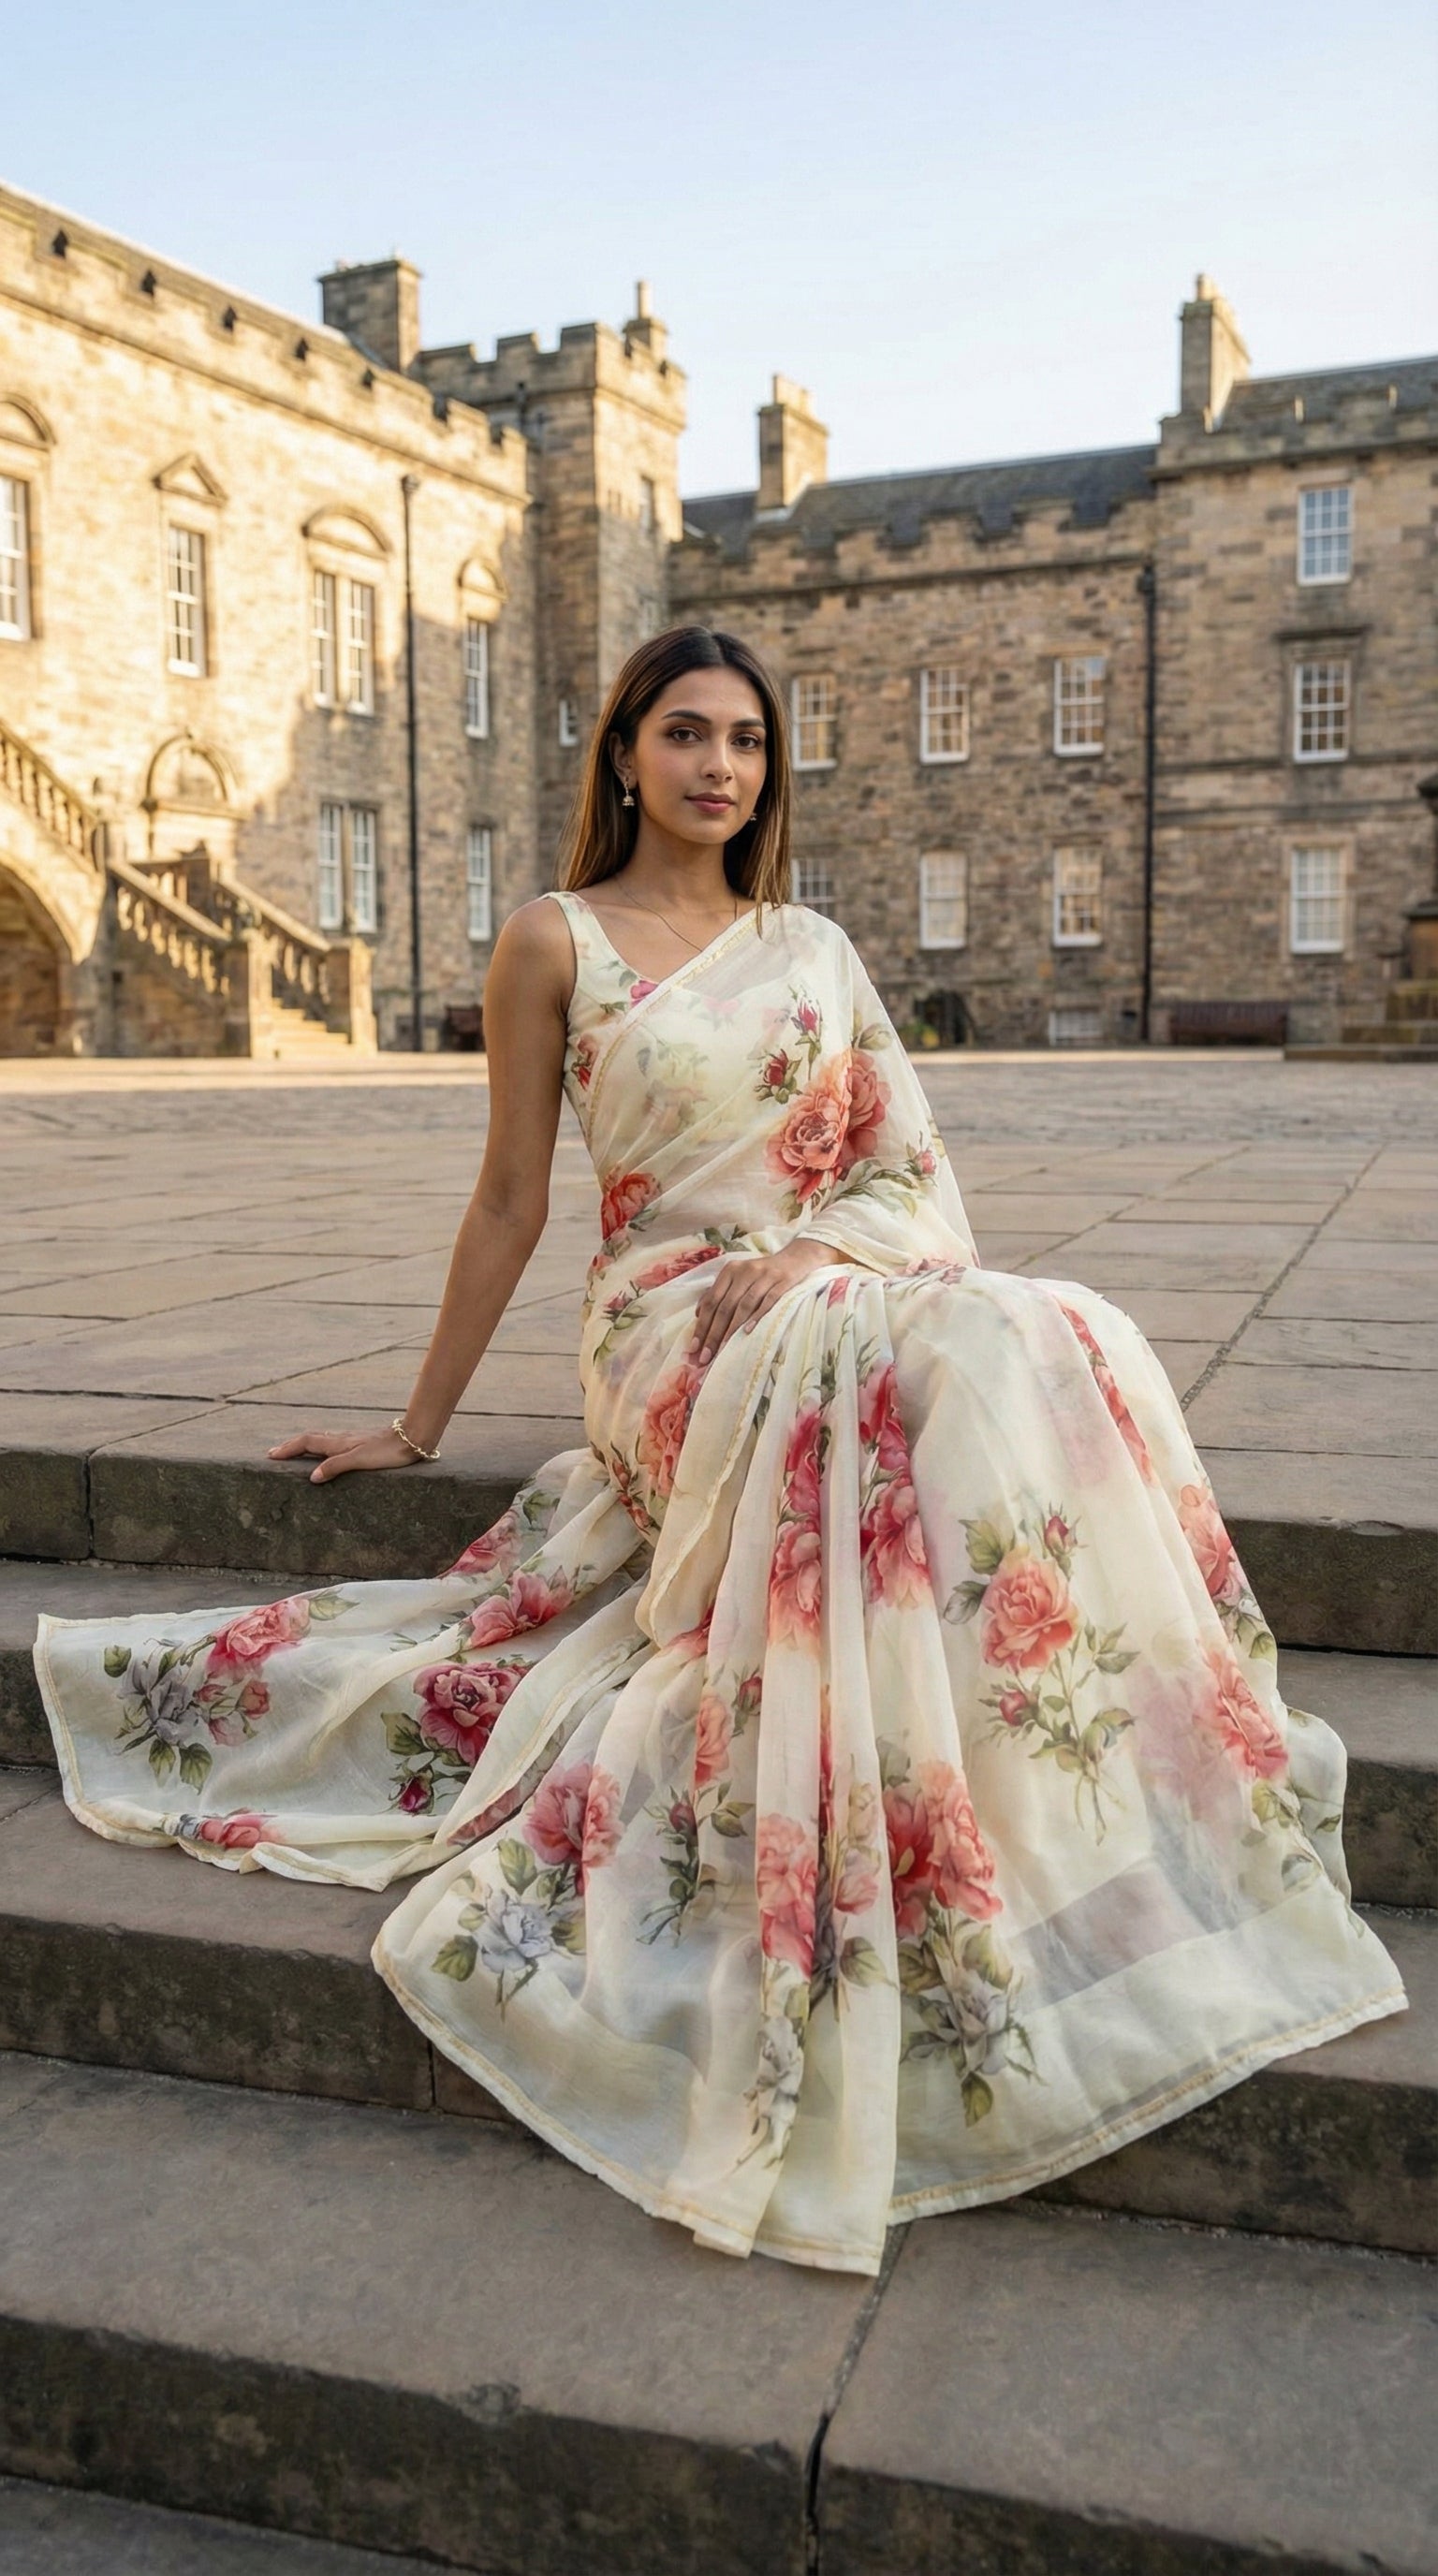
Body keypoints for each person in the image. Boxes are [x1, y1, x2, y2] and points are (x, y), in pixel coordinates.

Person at [35, 624, 1405, 2277]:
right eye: (684, 734)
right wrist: (418, 1422)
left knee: (1054, 1327)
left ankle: (1080, 1794)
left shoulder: (813, 948)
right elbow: (510, 1198)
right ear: (623, 754)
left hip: (826, 1279)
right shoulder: (555, 942)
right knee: (925, 1369)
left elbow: (914, 1172)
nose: (718, 768)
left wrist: (829, 1255)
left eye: (747, 742)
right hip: (661, 1323)